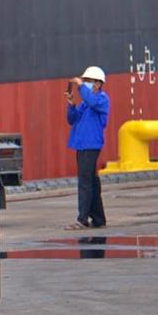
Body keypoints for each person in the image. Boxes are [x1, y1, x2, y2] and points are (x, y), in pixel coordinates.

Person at [64, 66, 110, 230]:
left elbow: (92, 101)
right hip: (82, 144)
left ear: (98, 83)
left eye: (88, 81)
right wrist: (71, 105)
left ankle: (82, 219)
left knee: (84, 182)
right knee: (91, 181)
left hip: (91, 144)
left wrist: (80, 86)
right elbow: (72, 119)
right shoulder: (85, 103)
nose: (85, 84)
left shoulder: (101, 99)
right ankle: (98, 219)